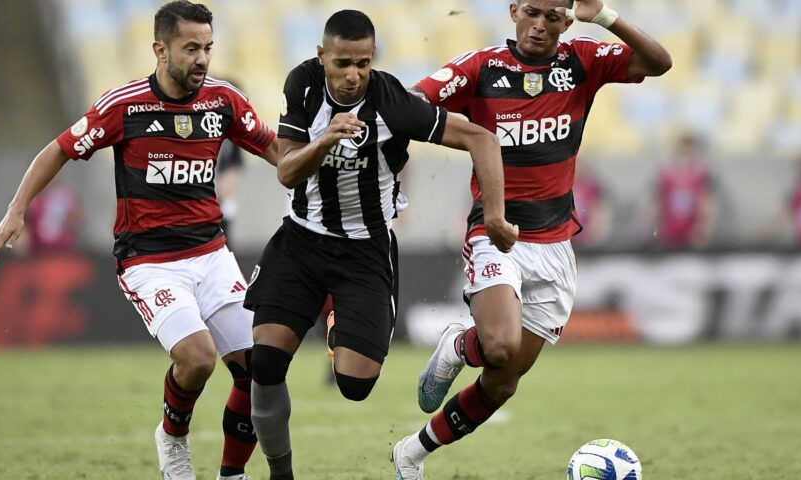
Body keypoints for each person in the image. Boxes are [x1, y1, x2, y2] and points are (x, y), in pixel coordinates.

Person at [0, 2, 278, 479]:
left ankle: (231, 474)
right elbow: (57, 149)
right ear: (160, 49)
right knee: (198, 359)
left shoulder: (223, 100)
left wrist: (321, 158)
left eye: (208, 48)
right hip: (150, 261)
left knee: (257, 366)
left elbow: (277, 151)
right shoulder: (126, 105)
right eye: (191, 49)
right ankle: (172, 437)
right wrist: (16, 212)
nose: (202, 59)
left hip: (212, 254)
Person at [393, 1, 671, 478]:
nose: (540, 26)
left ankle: (412, 452)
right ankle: (460, 347)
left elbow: (660, 62)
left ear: (567, 21)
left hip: (556, 244)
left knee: (502, 384)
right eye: (532, 12)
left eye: (553, 17)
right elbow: (410, 104)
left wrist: (602, 15)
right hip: (495, 233)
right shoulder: (479, 67)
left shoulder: (582, 60)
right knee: (497, 346)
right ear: (514, 10)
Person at [242, 10, 516, 480]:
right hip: (301, 241)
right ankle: (279, 474)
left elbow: (482, 138)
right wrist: (326, 138)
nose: (353, 76)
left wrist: (495, 215)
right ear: (321, 56)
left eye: (363, 64)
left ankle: (336, 323)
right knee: (264, 361)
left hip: (365, 252)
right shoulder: (303, 85)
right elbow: (286, 171)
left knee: (354, 385)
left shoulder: (393, 102)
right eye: (343, 63)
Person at [642, 132, 717, 248]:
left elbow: (706, 202)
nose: (685, 156)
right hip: (668, 234)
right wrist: (654, 229)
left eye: (688, 151)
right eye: (682, 151)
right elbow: (657, 202)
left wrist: (703, 227)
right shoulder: (666, 174)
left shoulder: (700, 174)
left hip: (692, 235)